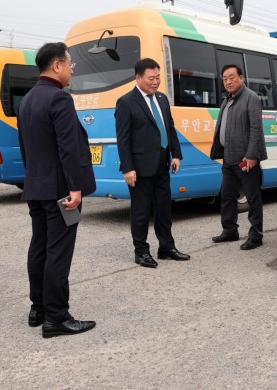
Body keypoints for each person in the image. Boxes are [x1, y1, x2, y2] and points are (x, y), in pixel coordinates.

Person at [17, 42, 96, 338]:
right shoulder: (59, 98)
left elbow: (26, 147)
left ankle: (38, 308)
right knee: (58, 252)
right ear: (57, 65)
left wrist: (34, 178)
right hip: (62, 191)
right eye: (70, 64)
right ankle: (56, 317)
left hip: (36, 186)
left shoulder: (27, 99)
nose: (72, 70)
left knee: (39, 247)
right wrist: (75, 188)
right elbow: (69, 147)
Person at [115, 58, 190, 268]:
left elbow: (170, 128)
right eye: (151, 78)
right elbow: (123, 139)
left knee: (164, 209)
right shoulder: (126, 102)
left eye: (158, 78)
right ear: (138, 78)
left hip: (162, 164)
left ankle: (167, 247)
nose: (155, 82)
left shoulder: (162, 99)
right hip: (139, 168)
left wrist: (176, 155)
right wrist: (128, 168)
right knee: (140, 212)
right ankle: (141, 252)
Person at [210, 64, 267, 250]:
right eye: (225, 79)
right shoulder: (227, 100)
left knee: (252, 197)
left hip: (245, 159)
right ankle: (230, 230)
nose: (228, 81)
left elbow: (256, 129)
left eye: (231, 77)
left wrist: (252, 155)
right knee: (227, 195)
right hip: (228, 158)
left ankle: (256, 236)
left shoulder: (251, 97)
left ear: (241, 78)